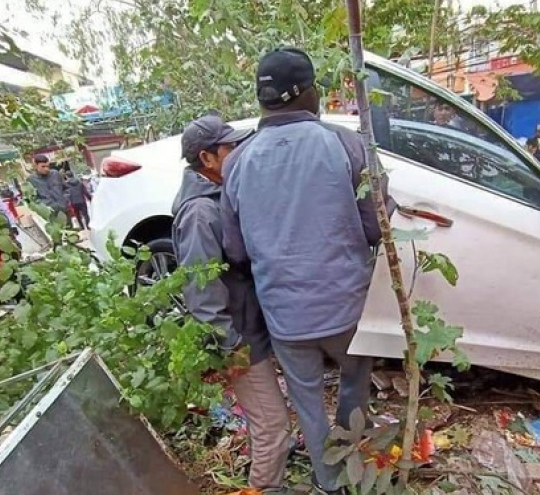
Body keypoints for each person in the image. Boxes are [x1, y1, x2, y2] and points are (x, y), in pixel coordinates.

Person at [220, 47, 393, 495]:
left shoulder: (237, 162)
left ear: (263, 101)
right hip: (346, 308)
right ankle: (352, 461)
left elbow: (235, 250)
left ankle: (327, 483)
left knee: (307, 402)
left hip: (285, 315)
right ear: (310, 93)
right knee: (354, 383)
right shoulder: (345, 143)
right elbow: (377, 225)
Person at [172, 114, 290, 492]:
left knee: (267, 423)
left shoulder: (217, 195)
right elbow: (201, 291)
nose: (238, 152)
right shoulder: (199, 213)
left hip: (248, 330)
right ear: (207, 158)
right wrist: (230, 345)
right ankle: (261, 489)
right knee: (273, 426)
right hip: (238, 339)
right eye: (230, 148)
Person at [27, 155, 68, 222]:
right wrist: (45, 206)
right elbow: (33, 200)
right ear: (36, 166)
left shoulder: (55, 174)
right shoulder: (31, 180)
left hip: (64, 211)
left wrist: (65, 200)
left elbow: (66, 189)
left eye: (47, 166)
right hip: (49, 216)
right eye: (43, 166)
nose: (46, 169)